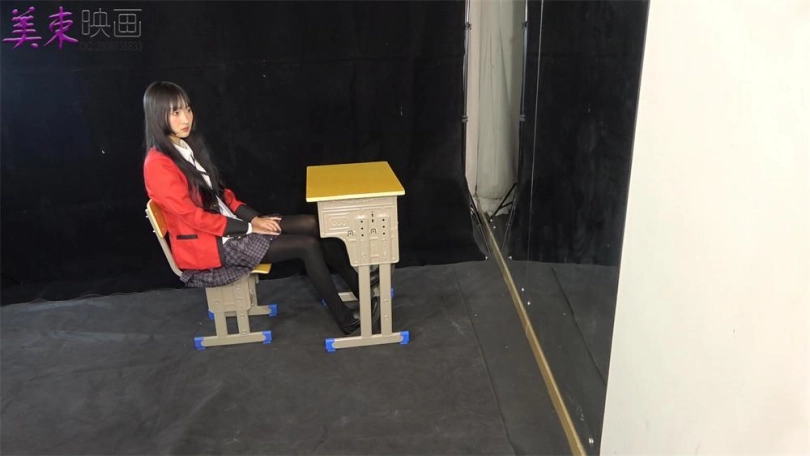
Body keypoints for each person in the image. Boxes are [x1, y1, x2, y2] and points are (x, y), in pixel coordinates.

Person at [142, 81, 379, 335]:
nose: (186, 118)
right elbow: (195, 218)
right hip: (214, 244)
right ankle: (345, 319)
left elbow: (223, 196)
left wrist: (254, 219)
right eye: (175, 112)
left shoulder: (186, 146)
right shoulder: (158, 164)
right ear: (158, 116)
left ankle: (360, 288)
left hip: (230, 229)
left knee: (312, 224)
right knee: (307, 246)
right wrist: (249, 227)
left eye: (187, 109)